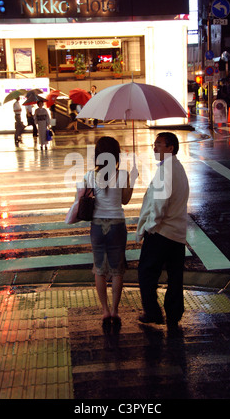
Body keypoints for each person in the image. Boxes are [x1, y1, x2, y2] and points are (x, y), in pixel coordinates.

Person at [136, 132, 189, 331]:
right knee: (175, 275)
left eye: (159, 144)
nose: (154, 148)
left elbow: (159, 205)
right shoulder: (178, 168)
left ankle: (152, 312)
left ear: (170, 148)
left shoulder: (166, 171)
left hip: (161, 232)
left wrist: (149, 227)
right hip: (177, 233)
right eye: (154, 144)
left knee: (146, 272)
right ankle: (174, 315)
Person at [83, 136, 136, 329]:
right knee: (117, 269)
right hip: (117, 225)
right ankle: (115, 310)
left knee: (99, 268)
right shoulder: (122, 175)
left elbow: (80, 198)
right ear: (116, 155)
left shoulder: (90, 175)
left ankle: (104, 311)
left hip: (97, 225)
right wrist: (133, 178)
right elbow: (125, 201)